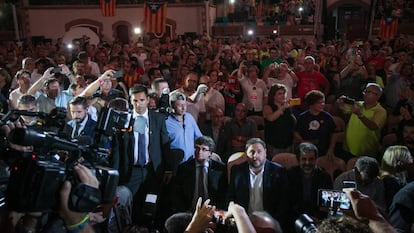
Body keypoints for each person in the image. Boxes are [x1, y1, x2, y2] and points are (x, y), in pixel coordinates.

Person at [111, 84, 171, 225]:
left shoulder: (158, 119)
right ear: (130, 101)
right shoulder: (124, 120)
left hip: (152, 171)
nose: (139, 104)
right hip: (131, 172)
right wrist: (115, 174)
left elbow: (165, 144)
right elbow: (118, 150)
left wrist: (168, 168)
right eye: (135, 101)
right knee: (129, 209)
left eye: (142, 100)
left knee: (150, 207)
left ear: (148, 99)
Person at [227, 137, 289, 231]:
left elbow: (283, 202)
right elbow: (231, 197)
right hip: (243, 222)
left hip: (269, 224)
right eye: (252, 152)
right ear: (246, 154)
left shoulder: (278, 172)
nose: (255, 156)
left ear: (265, 153)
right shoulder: (237, 170)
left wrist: (273, 224)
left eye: (259, 152)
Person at [328, 83, 387, 161]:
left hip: (365, 151)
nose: (366, 94)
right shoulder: (357, 104)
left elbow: (373, 126)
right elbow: (340, 113)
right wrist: (339, 104)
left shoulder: (380, 111)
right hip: (347, 148)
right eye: (365, 91)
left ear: (378, 96)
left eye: (369, 92)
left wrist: (360, 114)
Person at [173, 136, 227, 212]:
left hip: (212, 211)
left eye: (204, 149)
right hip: (188, 211)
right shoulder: (183, 168)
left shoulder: (220, 169)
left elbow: (223, 194)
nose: (199, 152)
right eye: (197, 148)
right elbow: (177, 194)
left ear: (210, 153)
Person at [288, 142, 332, 226]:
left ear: (316, 159)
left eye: (311, 159)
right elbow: (287, 203)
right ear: (298, 160)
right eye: (304, 159)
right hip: (295, 219)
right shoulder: (290, 175)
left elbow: (326, 205)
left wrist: (317, 218)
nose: (307, 163)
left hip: (318, 220)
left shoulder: (324, 177)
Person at [294, 90, 335, 156]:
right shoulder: (302, 117)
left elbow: (333, 134)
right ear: (311, 104)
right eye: (319, 103)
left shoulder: (327, 117)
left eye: (323, 102)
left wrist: (331, 149)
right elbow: (296, 132)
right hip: (306, 149)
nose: (322, 105)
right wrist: (302, 141)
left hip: (323, 150)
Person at [165, 91, 202, 163]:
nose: (183, 108)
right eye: (179, 105)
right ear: (172, 106)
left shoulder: (189, 117)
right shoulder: (166, 122)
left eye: (184, 104)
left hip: (191, 161)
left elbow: (199, 137)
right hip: (175, 163)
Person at [263, 83, 296, 157]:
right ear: (273, 96)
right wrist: (282, 108)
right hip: (274, 144)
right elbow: (271, 118)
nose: (283, 95)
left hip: (288, 142)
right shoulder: (268, 107)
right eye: (279, 94)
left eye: (284, 93)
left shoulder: (287, 107)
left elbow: (293, 122)